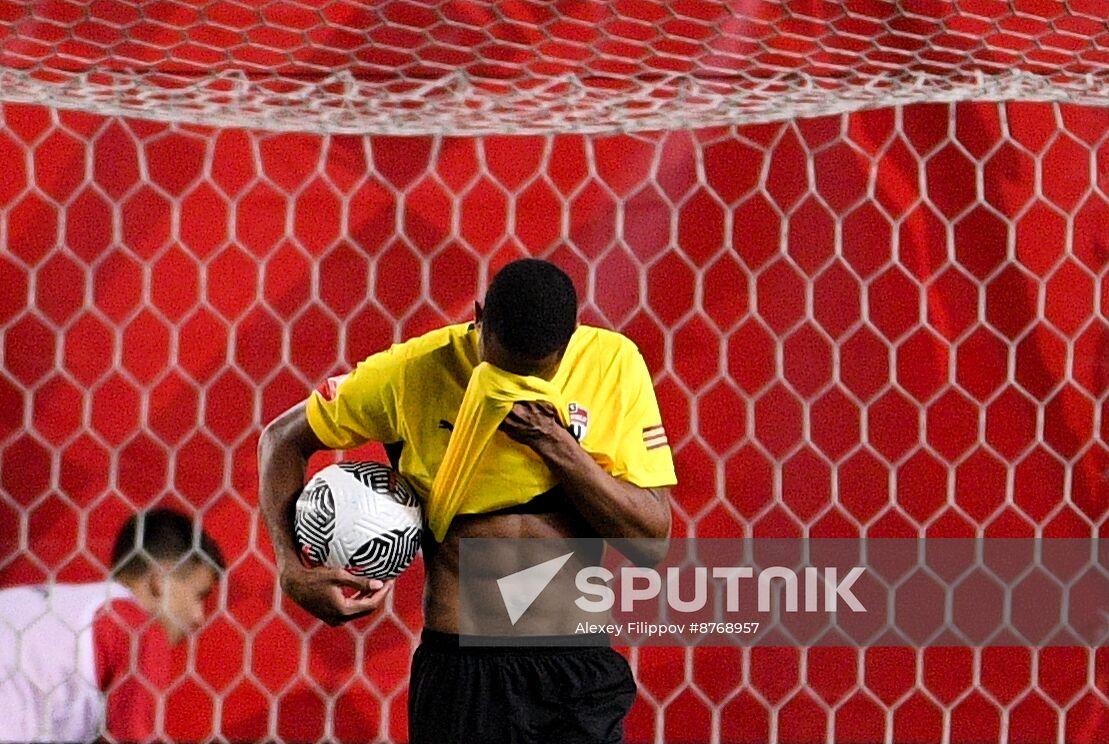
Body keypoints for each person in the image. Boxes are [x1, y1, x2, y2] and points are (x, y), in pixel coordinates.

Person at [259, 258, 677, 743]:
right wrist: (291, 567)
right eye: (498, 367)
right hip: (463, 672)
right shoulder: (412, 372)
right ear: (477, 318)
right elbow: (281, 440)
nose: (509, 388)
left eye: (532, 374)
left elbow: (652, 541)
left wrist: (555, 444)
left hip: (574, 670)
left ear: (572, 341)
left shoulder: (611, 365)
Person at [0, 507, 225, 743]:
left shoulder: (57, 605)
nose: (199, 617)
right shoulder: (138, 628)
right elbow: (133, 738)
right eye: (199, 596)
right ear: (161, 581)